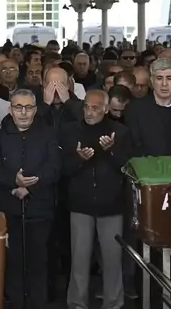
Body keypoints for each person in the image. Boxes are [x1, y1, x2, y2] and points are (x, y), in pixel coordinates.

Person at [60, 90, 132, 309]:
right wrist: (79, 159)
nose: (89, 112)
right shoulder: (70, 131)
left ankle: (113, 304)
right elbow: (63, 169)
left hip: (111, 205)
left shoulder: (120, 132)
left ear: (106, 109)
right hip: (80, 205)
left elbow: (127, 167)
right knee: (79, 260)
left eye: (95, 108)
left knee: (112, 260)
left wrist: (111, 151)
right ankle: (77, 304)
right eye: (86, 107)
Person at [0, 89, 60, 309]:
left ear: (35, 110)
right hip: (8, 207)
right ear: (10, 109)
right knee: (12, 261)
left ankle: (38, 303)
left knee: (38, 261)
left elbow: (55, 167)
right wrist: (14, 181)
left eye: (28, 107)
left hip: (39, 209)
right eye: (18, 107)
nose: (23, 112)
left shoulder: (48, 134)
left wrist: (30, 187)